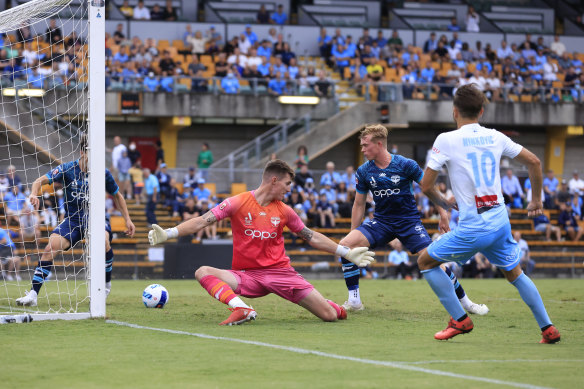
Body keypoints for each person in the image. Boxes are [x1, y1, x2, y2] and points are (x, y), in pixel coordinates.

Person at [148, 159, 375, 325]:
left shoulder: (285, 210)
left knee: (330, 316)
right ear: (274, 180)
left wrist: (345, 251)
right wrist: (168, 233)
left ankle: (329, 305)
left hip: (281, 273)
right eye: (287, 184)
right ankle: (242, 309)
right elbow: (201, 222)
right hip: (247, 275)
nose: (289, 189)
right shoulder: (237, 202)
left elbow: (311, 236)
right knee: (203, 271)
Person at [417, 83, 560, 343]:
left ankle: (460, 320)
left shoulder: (446, 139)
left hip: (475, 227)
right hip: (499, 221)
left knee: (425, 262)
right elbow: (535, 162)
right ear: (481, 111)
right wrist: (535, 200)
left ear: (454, 112)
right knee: (515, 273)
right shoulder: (495, 136)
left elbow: (426, 186)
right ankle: (548, 328)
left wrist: (445, 203)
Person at [338, 124, 487, 316]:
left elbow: (428, 188)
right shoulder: (364, 171)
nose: (362, 149)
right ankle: (354, 300)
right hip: (382, 222)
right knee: (345, 246)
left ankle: (467, 303)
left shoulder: (406, 164)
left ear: (379, 143)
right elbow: (359, 205)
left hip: (409, 222)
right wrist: (353, 233)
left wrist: (443, 213)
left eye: (366, 145)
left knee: (434, 261)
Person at [16, 135, 135, 306]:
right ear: (82, 152)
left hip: (96, 219)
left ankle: (106, 285)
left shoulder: (102, 173)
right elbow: (40, 180)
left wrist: (128, 220)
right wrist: (34, 193)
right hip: (73, 220)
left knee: (103, 242)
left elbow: (117, 195)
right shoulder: (67, 169)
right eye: (91, 153)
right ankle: (33, 295)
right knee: (50, 248)